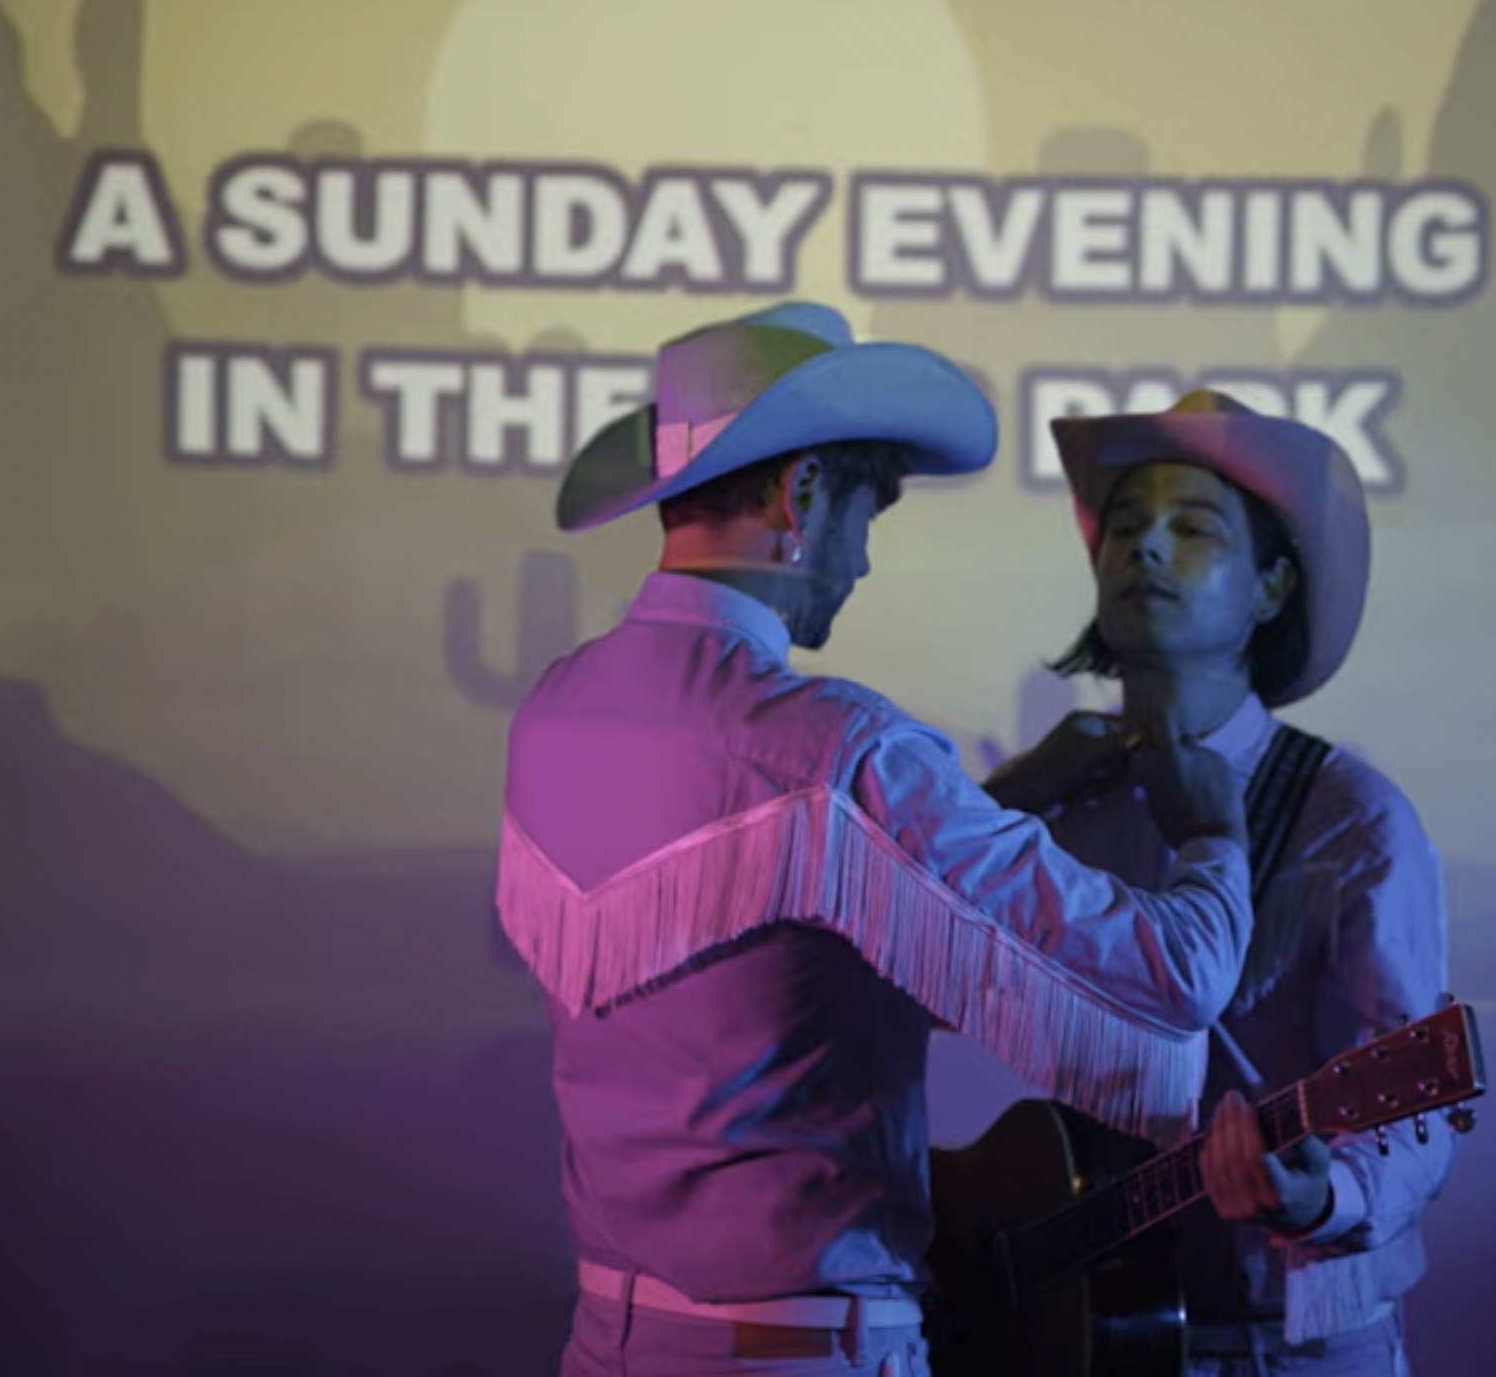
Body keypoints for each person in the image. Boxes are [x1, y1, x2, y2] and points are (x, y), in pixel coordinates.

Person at [495, 302, 1256, 1377]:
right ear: (801, 495)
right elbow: (1168, 980)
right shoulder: (835, 749)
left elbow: (775, 931)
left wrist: (1010, 796)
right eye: (870, 512)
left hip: (608, 1339)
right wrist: (1213, 832)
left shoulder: (555, 712)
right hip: (799, 1351)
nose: (859, 562)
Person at [983, 389, 1454, 1376]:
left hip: (1290, 1345)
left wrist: (1320, 1197)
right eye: (1124, 527)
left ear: (1271, 588)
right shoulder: (1054, 806)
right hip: (1086, 1333)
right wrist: (1002, 803)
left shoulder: (1349, 815)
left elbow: (1406, 1102)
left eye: (1192, 528)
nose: (1145, 548)